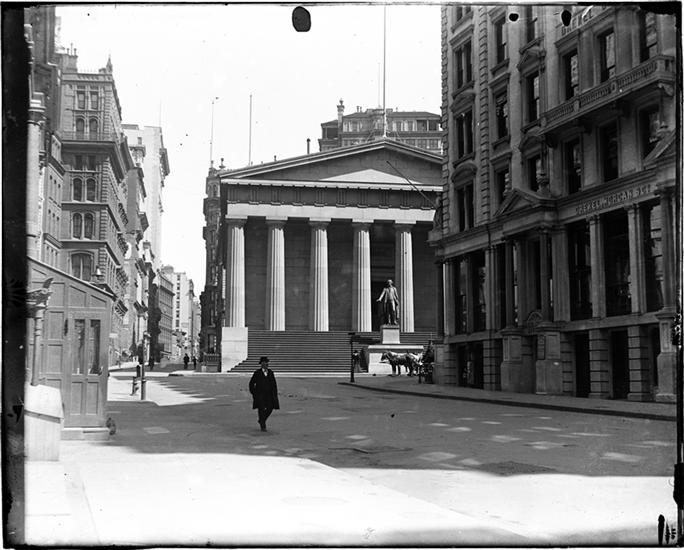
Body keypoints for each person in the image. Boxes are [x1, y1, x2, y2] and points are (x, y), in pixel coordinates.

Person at [249, 356, 280, 432]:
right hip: (260, 395)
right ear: (261, 364)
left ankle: (262, 420)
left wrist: (275, 394)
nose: (266, 364)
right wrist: (254, 393)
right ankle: (263, 426)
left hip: (269, 395)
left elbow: (274, 384)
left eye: (266, 362)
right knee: (261, 409)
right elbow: (251, 383)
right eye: (264, 363)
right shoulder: (257, 373)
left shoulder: (270, 373)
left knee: (270, 408)